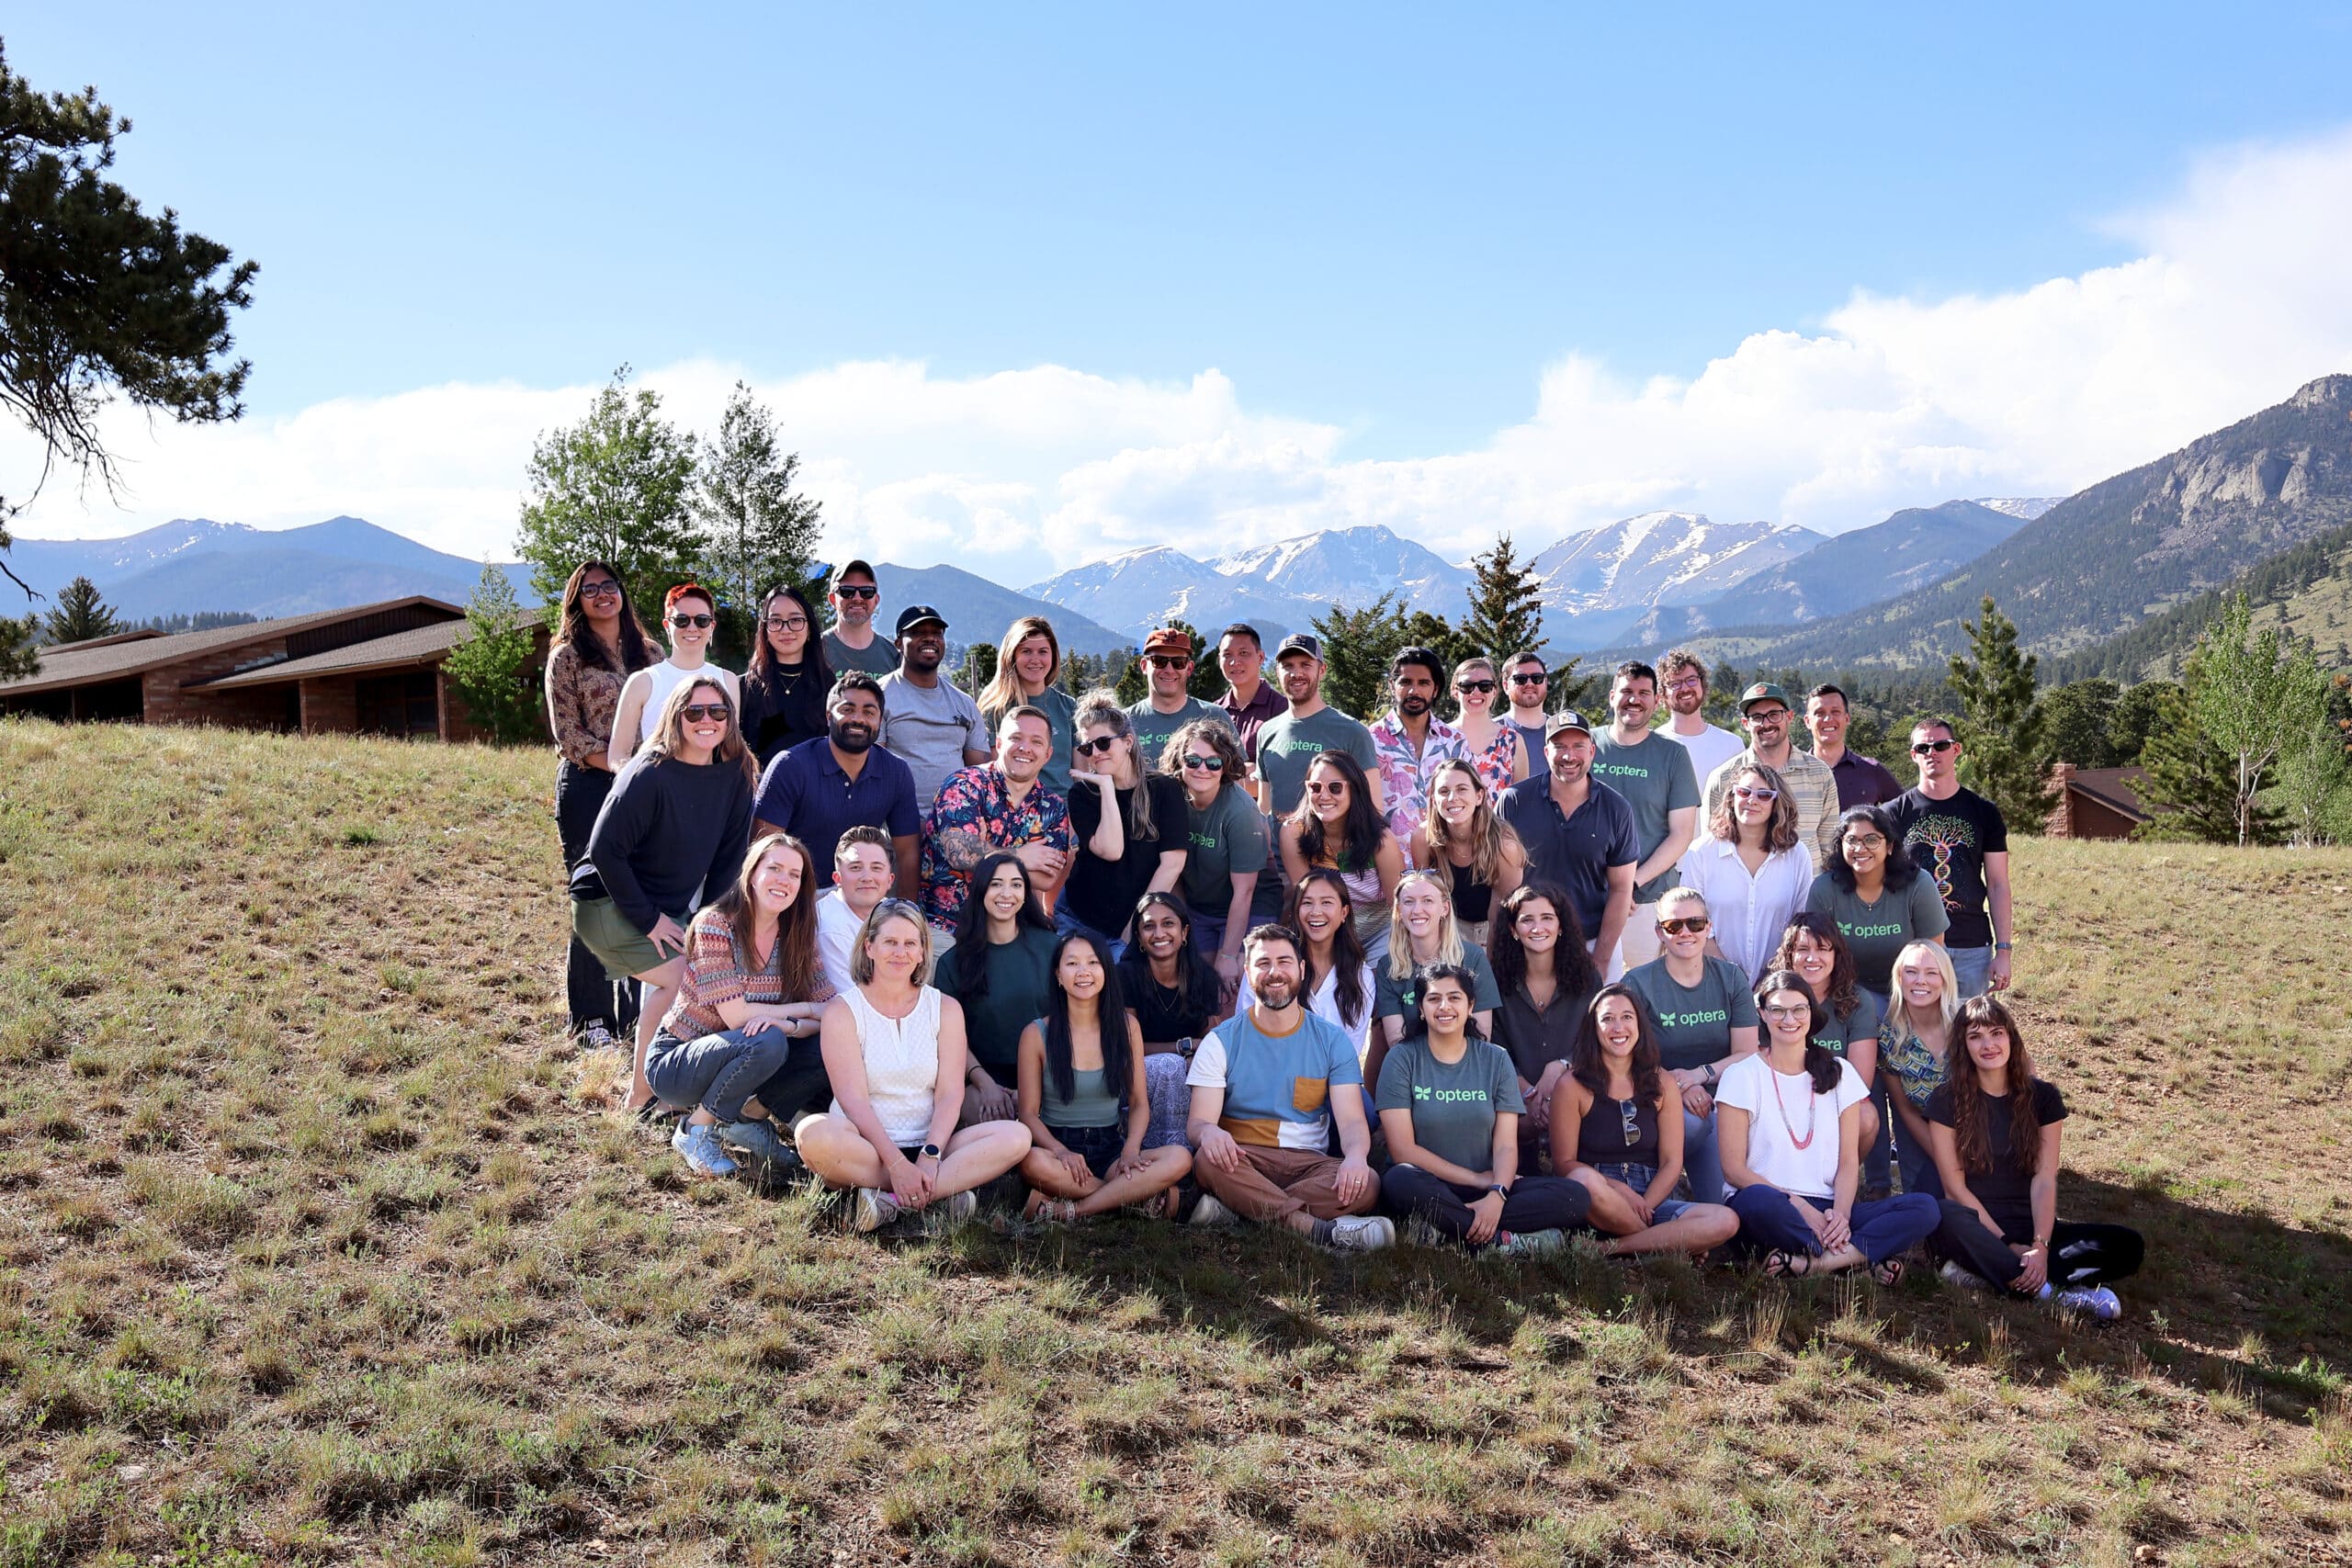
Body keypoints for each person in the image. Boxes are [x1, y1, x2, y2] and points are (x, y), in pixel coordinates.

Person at [572, 678, 756, 1107]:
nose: (706, 720)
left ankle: (668, 1091)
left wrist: (710, 931)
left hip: (665, 908)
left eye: (717, 711)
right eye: (694, 712)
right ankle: (640, 1097)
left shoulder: (737, 774)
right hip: (607, 901)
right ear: (675, 717)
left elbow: (728, 865)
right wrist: (649, 920)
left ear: (730, 719)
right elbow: (604, 850)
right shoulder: (649, 771)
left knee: (703, 976)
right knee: (680, 981)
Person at [796, 901, 1031, 1232]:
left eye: (910, 943)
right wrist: (894, 1163)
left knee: (1016, 1136)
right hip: (864, 1147)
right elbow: (853, 1100)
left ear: (923, 952)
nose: (900, 952)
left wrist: (931, 1154)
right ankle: (935, 1194)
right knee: (811, 1135)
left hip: (931, 1146)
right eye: (890, 942)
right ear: (870, 947)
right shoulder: (842, 1011)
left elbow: (950, 1094)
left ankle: (889, 1201)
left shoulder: (945, 1008)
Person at [1716, 969, 1941, 1280]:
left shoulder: (1840, 1072)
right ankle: (1857, 1260)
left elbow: (1848, 1162)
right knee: (1759, 1205)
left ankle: (1819, 1264)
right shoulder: (1741, 1075)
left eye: (1798, 1009)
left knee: (1925, 1208)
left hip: (1828, 1207)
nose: (1789, 1019)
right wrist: (1803, 1210)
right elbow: (1734, 1171)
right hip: (1772, 1205)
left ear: (1812, 1013)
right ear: (1762, 1015)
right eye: (1777, 1010)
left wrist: (1842, 1216)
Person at [1183, 925, 1394, 1249]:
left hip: (1309, 1164)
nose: (1274, 972)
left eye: (1284, 962)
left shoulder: (1330, 1040)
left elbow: (1352, 1122)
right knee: (1207, 1162)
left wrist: (1355, 1156)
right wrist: (1209, 1133)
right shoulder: (1221, 1041)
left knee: (1368, 1183)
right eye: (1263, 963)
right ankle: (1317, 1230)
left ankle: (1238, 1208)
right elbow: (1198, 1124)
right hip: (1243, 1159)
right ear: (1248, 972)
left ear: (1302, 969)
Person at [1928, 997, 2142, 1314]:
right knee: (1944, 1213)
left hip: (2035, 1230)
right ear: (1963, 1046)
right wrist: (2007, 1245)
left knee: (2128, 1246)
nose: (1989, 1045)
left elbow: (2044, 1178)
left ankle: (1998, 1277)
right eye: (1976, 1036)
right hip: (1978, 1229)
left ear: (2011, 1038)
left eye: (1997, 1033)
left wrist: (2039, 1247)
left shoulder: (2044, 1098)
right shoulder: (1945, 1101)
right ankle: (2046, 1290)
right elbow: (1955, 1189)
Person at [645, 834, 835, 1178]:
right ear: (752, 873)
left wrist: (793, 1024)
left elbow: (831, 1011)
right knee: (768, 1039)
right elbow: (736, 1016)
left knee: (831, 1042)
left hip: (750, 1054)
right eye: (774, 868)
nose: (784, 880)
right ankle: (695, 1131)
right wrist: (803, 1011)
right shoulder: (715, 925)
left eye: (795, 875)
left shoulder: (797, 934)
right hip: (679, 1061)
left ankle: (746, 1121)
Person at [1377, 966, 1589, 1255]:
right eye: (1434, 999)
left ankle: (1451, 1231)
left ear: (1471, 1006)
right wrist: (1478, 1179)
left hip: (1487, 1186)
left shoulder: (1495, 1059)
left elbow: (1505, 1145)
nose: (1444, 1007)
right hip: (1429, 1184)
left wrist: (1497, 1193)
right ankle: (1501, 1241)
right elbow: (1403, 1150)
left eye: (1454, 998)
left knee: (1575, 1197)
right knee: (1398, 1180)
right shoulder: (1401, 1059)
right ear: (1421, 1009)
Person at [544, 559, 656, 1048]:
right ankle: (590, 1017)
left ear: (622, 593)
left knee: (640, 894)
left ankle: (634, 1015)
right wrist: (620, 765)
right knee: (594, 895)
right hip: (590, 785)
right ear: (577, 599)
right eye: (590, 589)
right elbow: (568, 734)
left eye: (609, 585)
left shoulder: (650, 652)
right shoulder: (566, 657)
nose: (602, 595)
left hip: (646, 786)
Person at [1549, 986, 1741, 1257]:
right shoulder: (1572, 1085)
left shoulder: (1661, 1082)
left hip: (1653, 1198)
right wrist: (1621, 1192)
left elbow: (1672, 1162)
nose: (1619, 1027)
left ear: (1639, 1025)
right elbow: (1564, 1164)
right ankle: (1664, 1241)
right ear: (1593, 1028)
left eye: (1627, 1017)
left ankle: (1611, 1248)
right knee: (1583, 1180)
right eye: (1607, 1019)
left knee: (1725, 1220)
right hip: (1599, 1198)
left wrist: (1645, 1204)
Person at [1014, 932, 1194, 1222]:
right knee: (1031, 1161)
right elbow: (1029, 1114)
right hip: (1057, 1148)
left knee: (1180, 1158)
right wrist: (1061, 1152)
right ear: (1058, 975)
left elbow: (1137, 1101)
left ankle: (1075, 1209)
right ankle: (1133, 1199)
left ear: (1105, 972)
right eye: (1072, 963)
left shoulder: (1127, 1027)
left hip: (1110, 1147)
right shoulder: (1035, 1034)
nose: (1083, 972)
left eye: (1093, 963)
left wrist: (1131, 1150)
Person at [1619, 886, 1760, 1204]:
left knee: (1726, 1211)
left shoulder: (1730, 977)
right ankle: (1665, 1190)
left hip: (1725, 1094)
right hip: (1658, 1095)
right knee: (1697, 1124)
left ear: (1709, 927)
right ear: (1659, 932)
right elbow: (1627, 1058)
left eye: (1695, 924)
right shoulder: (1637, 984)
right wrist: (1678, 1087)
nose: (1685, 932)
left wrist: (1699, 1075)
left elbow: (1748, 1052)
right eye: (1673, 926)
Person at [752, 673, 921, 896]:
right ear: (829, 715)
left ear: (880, 720)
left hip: (857, 895)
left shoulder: (896, 772)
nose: (858, 719)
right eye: (848, 709)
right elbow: (763, 851)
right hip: (794, 894)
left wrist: (905, 913)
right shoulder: (791, 765)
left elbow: (907, 854)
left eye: (869, 712)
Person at [1498, 710, 1638, 968]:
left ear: (1592, 752)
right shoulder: (1514, 800)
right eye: (1559, 746)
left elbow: (1620, 889)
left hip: (1593, 940)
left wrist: (1602, 959)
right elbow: (1500, 885)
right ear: (1545, 752)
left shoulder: (1617, 809)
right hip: (1528, 941)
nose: (1569, 755)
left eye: (1578, 746)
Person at [928, 852, 1059, 1126]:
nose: (1006, 893)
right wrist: (985, 1084)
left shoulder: (1051, 947)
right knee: (974, 1108)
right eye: (997, 884)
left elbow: (1070, 1020)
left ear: (1025, 893)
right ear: (981, 891)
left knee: (1039, 1111)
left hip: (1047, 1072)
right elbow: (949, 1038)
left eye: (1016, 884)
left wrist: (1031, 1088)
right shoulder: (953, 962)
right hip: (984, 1078)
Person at [1885, 718, 2014, 998]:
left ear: (1956, 750)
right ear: (1913, 755)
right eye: (1923, 747)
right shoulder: (1892, 814)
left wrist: (2003, 950)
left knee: (1968, 1032)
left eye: (1940, 745)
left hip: (1971, 945)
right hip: (1914, 944)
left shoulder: (1984, 812)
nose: (1932, 752)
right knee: (1917, 1034)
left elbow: (1998, 883)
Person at [1590, 661, 1700, 977]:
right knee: (1589, 986)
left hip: (1649, 899)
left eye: (1643, 693)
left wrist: (1629, 885)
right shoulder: (1587, 746)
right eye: (1626, 691)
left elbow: (1681, 834)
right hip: (1589, 894)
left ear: (1656, 700)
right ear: (1612, 696)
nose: (1634, 700)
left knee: (1648, 988)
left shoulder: (1673, 755)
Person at [920, 705, 1074, 928]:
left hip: (1010, 930)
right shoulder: (966, 783)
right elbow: (959, 851)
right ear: (999, 744)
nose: (1025, 748)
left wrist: (981, 851)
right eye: (1016, 738)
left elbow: (1045, 877)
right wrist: (1020, 856)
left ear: (1048, 754)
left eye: (1036, 742)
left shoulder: (1052, 807)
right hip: (946, 925)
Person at [1771, 913, 1890, 1194]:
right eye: (1803, 949)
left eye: (1822, 949)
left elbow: (1859, 1084)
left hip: (1835, 1100)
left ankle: (1835, 1185)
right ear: (1789, 955)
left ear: (1837, 954)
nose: (1812, 958)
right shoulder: (1770, 997)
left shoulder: (1858, 1001)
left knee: (1866, 1115)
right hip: (1781, 1102)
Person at [1061, 694, 1189, 953]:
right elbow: (1111, 850)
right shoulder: (1083, 794)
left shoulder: (1164, 789)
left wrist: (1137, 923)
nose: (1095, 753)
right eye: (1088, 748)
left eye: (1103, 743)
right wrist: (1107, 788)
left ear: (1128, 741)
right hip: (1079, 917)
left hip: (1135, 920)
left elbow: (1172, 865)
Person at [1487, 882, 1603, 1165]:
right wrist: (1527, 1092)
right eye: (1527, 920)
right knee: (1515, 1123)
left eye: (1547, 918)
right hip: (1514, 1096)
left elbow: (1595, 1041)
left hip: (1577, 1091)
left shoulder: (1588, 978)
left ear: (1561, 926)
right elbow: (1493, 1048)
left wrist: (1561, 1067)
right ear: (1513, 930)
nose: (1538, 927)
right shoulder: (1495, 981)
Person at [1676, 761, 1815, 984]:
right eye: (1744, 792)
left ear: (1776, 802)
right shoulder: (1702, 851)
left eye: (1763, 795)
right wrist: (1730, 977)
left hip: (1776, 983)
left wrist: (1772, 980)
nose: (1752, 800)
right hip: (1711, 978)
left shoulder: (1797, 855)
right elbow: (1691, 922)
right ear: (1732, 797)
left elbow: (1800, 922)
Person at [1116, 892, 1227, 1151]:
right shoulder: (1125, 976)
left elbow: (1213, 1041)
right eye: (1148, 926)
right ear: (1139, 937)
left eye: (1168, 923)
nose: (1159, 933)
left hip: (1189, 1068)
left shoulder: (1203, 976)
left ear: (1184, 931)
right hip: (1133, 1072)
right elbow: (1128, 1048)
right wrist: (1183, 1049)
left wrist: (1195, 1058)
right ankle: (1164, 1148)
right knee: (1169, 1065)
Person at [1372, 871, 1502, 1091]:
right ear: (1398, 911)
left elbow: (1482, 1035)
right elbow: (1397, 1043)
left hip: (1466, 1072)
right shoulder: (1389, 966)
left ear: (1445, 908)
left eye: (1427, 901)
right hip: (1411, 1075)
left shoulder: (1472, 957)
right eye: (1409, 902)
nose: (1417, 910)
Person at [1165, 717, 1266, 998]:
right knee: (1196, 986)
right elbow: (1171, 870)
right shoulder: (1172, 799)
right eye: (1193, 760)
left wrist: (1229, 955)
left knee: (1227, 989)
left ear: (1225, 767)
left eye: (1213, 763)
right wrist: (1183, 924)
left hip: (1247, 905)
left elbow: (1244, 892)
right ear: (1179, 761)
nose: (1202, 769)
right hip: (1199, 906)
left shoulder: (1240, 812)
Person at [1806, 804, 1948, 1002]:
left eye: (1871, 840)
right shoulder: (1824, 888)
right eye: (1852, 840)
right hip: (1845, 997)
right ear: (1841, 846)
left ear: (1889, 846)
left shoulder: (1918, 884)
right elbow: (1815, 956)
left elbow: (1932, 954)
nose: (1860, 848)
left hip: (1908, 994)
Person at [1238, 869, 1376, 1066]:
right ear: (1296, 911)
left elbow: (1350, 1051)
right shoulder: (1269, 966)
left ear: (1344, 912)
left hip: (1331, 1081)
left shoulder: (1361, 976)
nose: (1315, 912)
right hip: (1268, 1073)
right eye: (1307, 903)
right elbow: (1246, 1032)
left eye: (1326, 902)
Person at [1278, 750, 1406, 964]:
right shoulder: (1294, 833)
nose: (1324, 796)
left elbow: (1399, 908)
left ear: (1354, 790)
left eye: (1335, 788)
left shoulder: (1381, 842)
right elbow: (1308, 902)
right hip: (1324, 930)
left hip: (1380, 932)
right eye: (1315, 788)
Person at [1700, 682, 1839, 872]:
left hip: (1807, 895)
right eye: (1757, 717)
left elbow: (1829, 846)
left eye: (1774, 714)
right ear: (1745, 723)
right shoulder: (1723, 778)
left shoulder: (1820, 774)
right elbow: (1712, 848)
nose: (1766, 724)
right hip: (1745, 896)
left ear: (1789, 717)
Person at [1254, 633, 1384, 818]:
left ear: (1322, 670)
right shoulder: (1267, 732)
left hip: (1332, 847)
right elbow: (1264, 806)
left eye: (1305, 665)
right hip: (1275, 847)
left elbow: (1374, 810)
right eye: (1287, 666)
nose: (1296, 673)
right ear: (1277, 672)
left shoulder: (1352, 732)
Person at [878, 604, 991, 814]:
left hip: (957, 821)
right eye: (918, 633)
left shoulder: (964, 703)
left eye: (937, 633)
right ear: (898, 644)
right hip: (898, 822)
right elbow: (872, 768)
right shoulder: (879, 698)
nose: (930, 638)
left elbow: (980, 773)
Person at [608, 583, 741, 760]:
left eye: (701, 620)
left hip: (711, 785)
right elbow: (618, 756)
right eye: (682, 620)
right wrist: (639, 783)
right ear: (666, 626)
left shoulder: (728, 681)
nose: (692, 628)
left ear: (712, 627)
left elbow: (730, 751)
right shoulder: (643, 682)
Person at [1408, 760, 1526, 946]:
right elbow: (1425, 900)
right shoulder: (1423, 839)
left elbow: (1499, 916)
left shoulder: (1504, 846)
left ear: (1479, 796)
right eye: (1444, 791)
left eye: (1462, 789)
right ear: (1434, 800)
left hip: (1494, 929)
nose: (1453, 797)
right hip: (1448, 927)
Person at [1878, 940, 1961, 1198]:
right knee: (1930, 1206)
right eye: (1911, 972)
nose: (1920, 981)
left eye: (1931, 973)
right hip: (1931, 1138)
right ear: (1899, 978)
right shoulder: (1889, 1038)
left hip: (1984, 1136)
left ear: (1945, 979)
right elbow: (1904, 1110)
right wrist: (1947, 1159)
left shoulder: (1968, 1024)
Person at [1369, 646, 1469, 842]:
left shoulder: (1454, 742)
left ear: (1436, 689)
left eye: (1423, 683)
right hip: (1389, 862)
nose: (1414, 691)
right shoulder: (1370, 740)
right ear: (1392, 685)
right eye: (1405, 682)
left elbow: (1471, 803)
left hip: (1445, 860)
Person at [978, 615, 1080, 795]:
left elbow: (1080, 774)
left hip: (1067, 811)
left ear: (1053, 656)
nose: (1035, 659)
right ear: (1011, 655)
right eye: (1026, 651)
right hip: (1017, 812)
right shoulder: (994, 711)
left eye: (1042, 651)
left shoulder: (1069, 707)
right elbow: (996, 777)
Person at [738, 585, 837, 771]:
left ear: (809, 628)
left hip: (815, 793)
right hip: (760, 793)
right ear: (764, 629)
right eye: (776, 621)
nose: (786, 630)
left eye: (795, 620)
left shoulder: (828, 684)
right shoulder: (744, 687)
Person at [1126, 626, 1231, 762]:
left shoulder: (1216, 717)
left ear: (1190, 668)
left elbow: (1235, 777)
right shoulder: (1123, 723)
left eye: (1178, 663)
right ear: (1144, 666)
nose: (1169, 669)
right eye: (1159, 661)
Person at [816, 826, 899, 997]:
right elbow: (851, 1002)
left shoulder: (892, 912)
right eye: (855, 868)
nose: (867, 877)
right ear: (837, 878)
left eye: (876, 868)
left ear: (890, 880)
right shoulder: (830, 927)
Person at [1805, 683, 1904, 810]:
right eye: (1820, 713)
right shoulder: (1792, 774)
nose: (1828, 719)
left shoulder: (1872, 771)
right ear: (1807, 721)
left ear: (1847, 718)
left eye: (1835, 712)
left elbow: (1904, 816)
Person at [1657, 649, 1744, 789]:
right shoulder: (1652, 746)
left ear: (1702, 684)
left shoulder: (1732, 745)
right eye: (1675, 684)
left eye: (1691, 680)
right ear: (1663, 694)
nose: (1685, 688)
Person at [1447, 656, 1530, 800]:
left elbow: (1521, 801)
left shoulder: (1512, 741)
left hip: (1500, 823)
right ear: (1455, 691)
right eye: (1467, 686)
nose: (1476, 692)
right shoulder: (1440, 738)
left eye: (1485, 686)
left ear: (1495, 691)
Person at [1213, 623, 1285, 774]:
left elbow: (1284, 770)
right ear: (1219, 660)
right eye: (1227, 655)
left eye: (1243, 653)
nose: (1235, 662)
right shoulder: (1214, 712)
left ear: (1261, 657)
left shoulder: (1282, 710)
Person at [820, 558, 899, 677]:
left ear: (876, 600)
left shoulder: (894, 655)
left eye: (866, 592)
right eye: (847, 591)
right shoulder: (815, 649)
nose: (857, 598)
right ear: (832, 599)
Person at [1504, 650, 1552, 779]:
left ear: (1545, 683)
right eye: (1520, 679)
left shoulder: (1563, 732)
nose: (1529, 684)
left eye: (1537, 678)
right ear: (1505, 686)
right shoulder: (1493, 734)